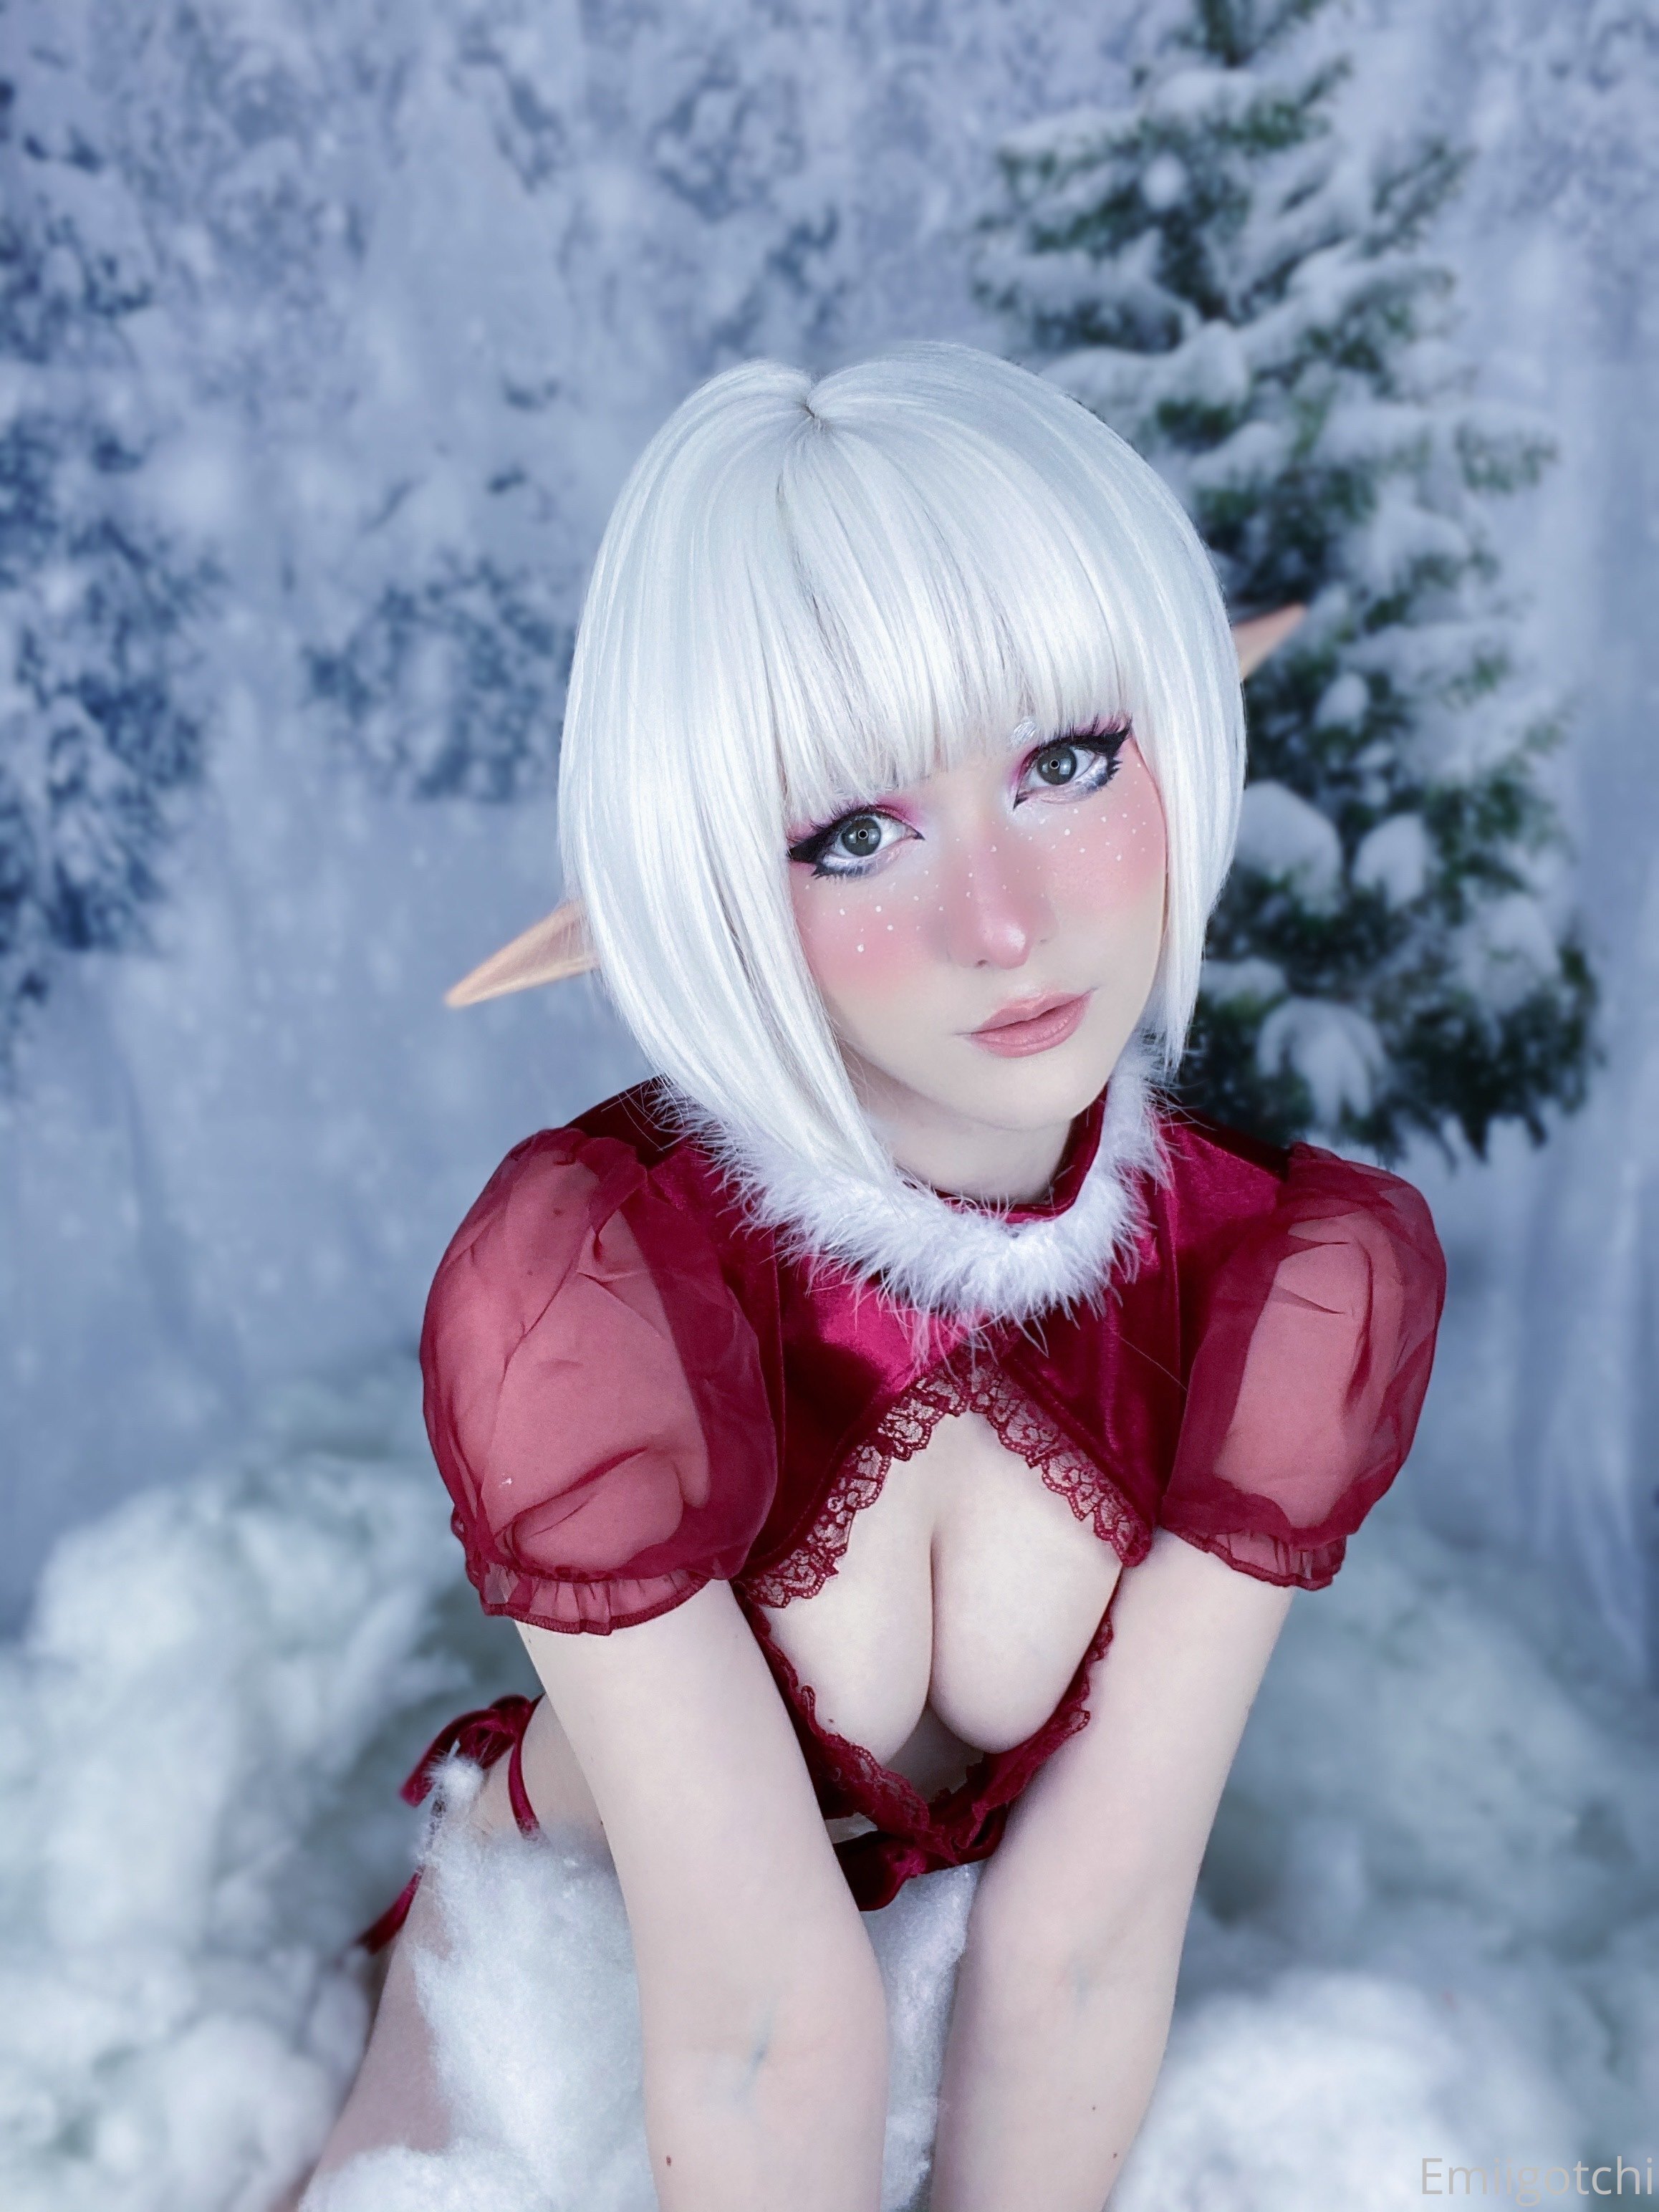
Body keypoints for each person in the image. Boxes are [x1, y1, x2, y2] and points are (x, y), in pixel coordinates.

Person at [303, 343, 1444, 2211]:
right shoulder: (593, 1275)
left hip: (963, 2027)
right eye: (854, 833)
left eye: (1065, 762)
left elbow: (1092, 1929)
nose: (1003, 923)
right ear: (713, 882)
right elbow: (757, 2017)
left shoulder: (1294, 1273)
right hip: (561, 2025)